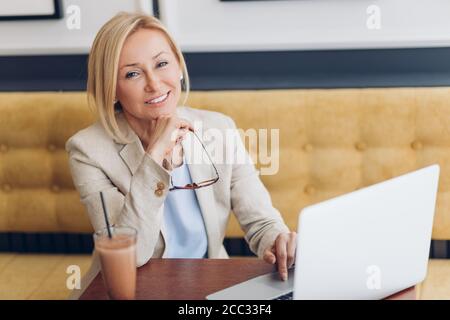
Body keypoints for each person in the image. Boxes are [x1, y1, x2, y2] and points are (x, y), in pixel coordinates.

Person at [66, 12, 296, 297]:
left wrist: (279, 243)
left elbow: (262, 223)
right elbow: (130, 255)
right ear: (112, 88)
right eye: (132, 73)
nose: (154, 83)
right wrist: (154, 158)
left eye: (162, 64)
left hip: (208, 283)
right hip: (129, 288)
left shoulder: (219, 129)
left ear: (179, 67)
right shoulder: (87, 150)